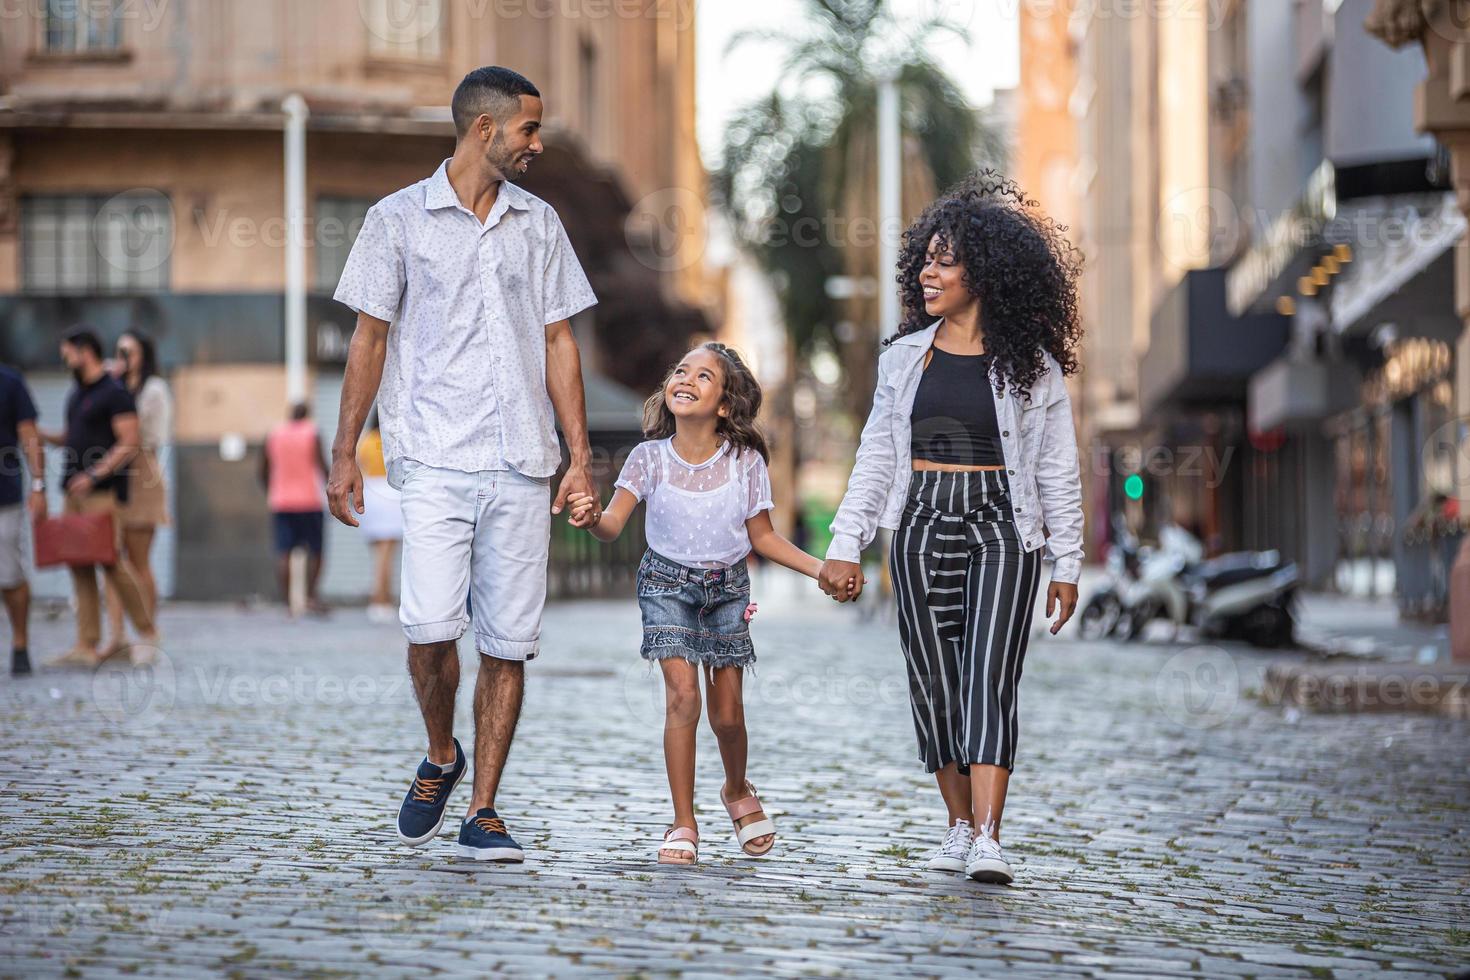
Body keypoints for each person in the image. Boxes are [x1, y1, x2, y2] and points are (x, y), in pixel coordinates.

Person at [328, 66, 599, 864]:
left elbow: (558, 340)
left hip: (521, 459)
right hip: (434, 456)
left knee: (508, 644)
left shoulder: (539, 224)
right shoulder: (396, 221)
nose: (537, 144)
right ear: (485, 130)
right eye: (527, 130)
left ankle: (484, 808)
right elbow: (369, 339)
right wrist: (345, 452)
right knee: (429, 629)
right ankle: (441, 754)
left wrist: (579, 460)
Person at [817, 172, 1085, 886]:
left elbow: (1057, 470)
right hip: (921, 520)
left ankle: (991, 836)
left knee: (990, 676)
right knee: (933, 681)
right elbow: (877, 455)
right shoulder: (904, 360)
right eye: (924, 261)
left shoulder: (1034, 368)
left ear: (985, 274)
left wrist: (1067, 563)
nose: (927, 274)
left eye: (945, 261)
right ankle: (958, 823)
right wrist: (845, 544)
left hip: (1003, 524)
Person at [566, 343, 847, 865]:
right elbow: (611, 526)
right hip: (665, 585)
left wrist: (820, 568)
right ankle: (683, 822)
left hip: (727, 592)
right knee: (682, 698)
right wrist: (590, 517)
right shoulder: (647, 458)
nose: (685, 379)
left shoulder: (745, 462)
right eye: (680, 370)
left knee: (728, 715)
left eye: (703, 375)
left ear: (724, 404)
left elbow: (763, 538)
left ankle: (736, 788)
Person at [43, 328, 161, 668]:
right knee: (78, 565)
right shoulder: (77, 393)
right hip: (72, 492)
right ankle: (86, 644)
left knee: (112, 562)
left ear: (84, 351)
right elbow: (71, 437)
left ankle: (147, 632)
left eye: (67, 351)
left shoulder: (114, 393)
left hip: (102, 493)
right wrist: (37, 433)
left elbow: (129, 441)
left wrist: (95, 473)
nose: (64, 358)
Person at [103, 329, 172, 658]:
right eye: (120, 350)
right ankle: (115, 636)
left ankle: (147, 634)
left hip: (142, 475)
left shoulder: (154, 389)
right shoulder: (113, 386)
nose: (123, 357)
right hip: (112, 480)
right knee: (111, 560)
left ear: (143, 354)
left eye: (129, 351)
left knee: (138, 561)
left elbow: (143, 432)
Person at [261, 404, 330, 615]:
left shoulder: (274, 434)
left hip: (281, 501)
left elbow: (263, 468)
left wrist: (273, 489)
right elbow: (322, 465)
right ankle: (310, 596)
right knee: (316, 551)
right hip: (310, 500)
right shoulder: (313, 432)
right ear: (307, 414)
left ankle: (288, 603)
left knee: (284, 552)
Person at [0, 363, 45, 676]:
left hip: (4, 496)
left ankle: (20, 643)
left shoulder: (10, 382)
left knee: (10, 574)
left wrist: (38, 485)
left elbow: (28, 434)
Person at [356, 409, 403, 623]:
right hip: (390, 494)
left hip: (371, 495)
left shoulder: (366, 441)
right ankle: (380, 600)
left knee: (379, 553)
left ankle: (381, 599)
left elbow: (359, 466)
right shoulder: (393, 440)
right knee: (387, 554)